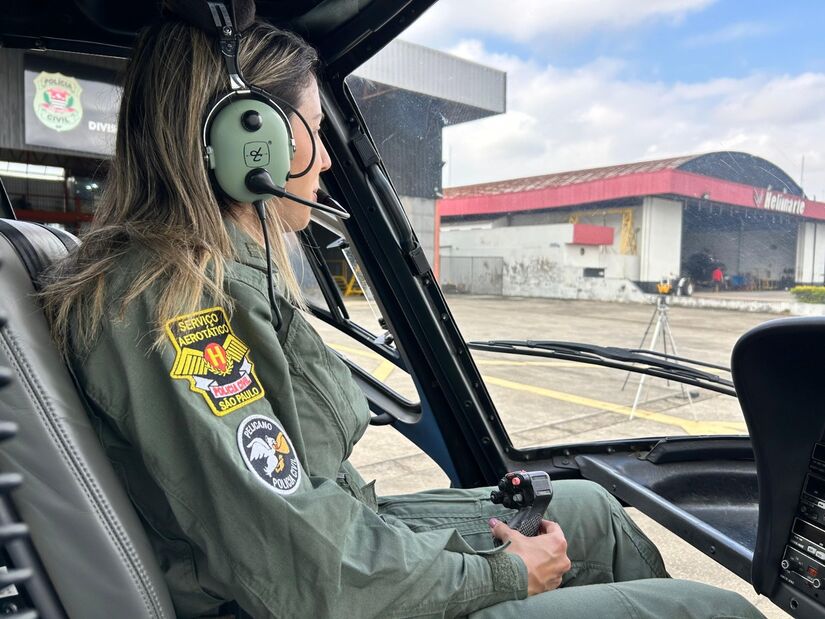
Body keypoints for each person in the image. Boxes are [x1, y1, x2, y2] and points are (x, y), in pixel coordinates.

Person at [40, 8, 765, 619]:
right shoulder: (169, 305)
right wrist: (503, 574)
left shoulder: (218, 273)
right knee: (718, 610)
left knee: (587, 507)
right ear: (247, 139)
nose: (325, 159)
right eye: (316, 131)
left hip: (338, 543)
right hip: (302, 588)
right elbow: (299, 565)